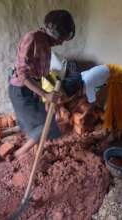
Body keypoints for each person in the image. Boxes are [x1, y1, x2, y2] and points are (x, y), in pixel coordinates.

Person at [8, 10, 75, 158]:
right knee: (46, 125)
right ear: (51, 30)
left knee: (50, 125)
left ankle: (33, 146)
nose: (61, 42)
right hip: (21, 91)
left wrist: (54, 90)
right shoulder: (32, 38)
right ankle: (17, 155)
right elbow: (23, 75)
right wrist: (45, 94)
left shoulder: (46, 45)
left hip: (32, 90)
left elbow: (43, 75)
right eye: (60, 38)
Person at [81, 64, 122, 140]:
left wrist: (84, 115)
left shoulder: (88, 83)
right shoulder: (83, 75)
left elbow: (92, 104)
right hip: (116, 78)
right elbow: (99, 86)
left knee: (120, 107)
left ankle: (120, 130)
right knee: (109, 106)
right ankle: (112, 129)